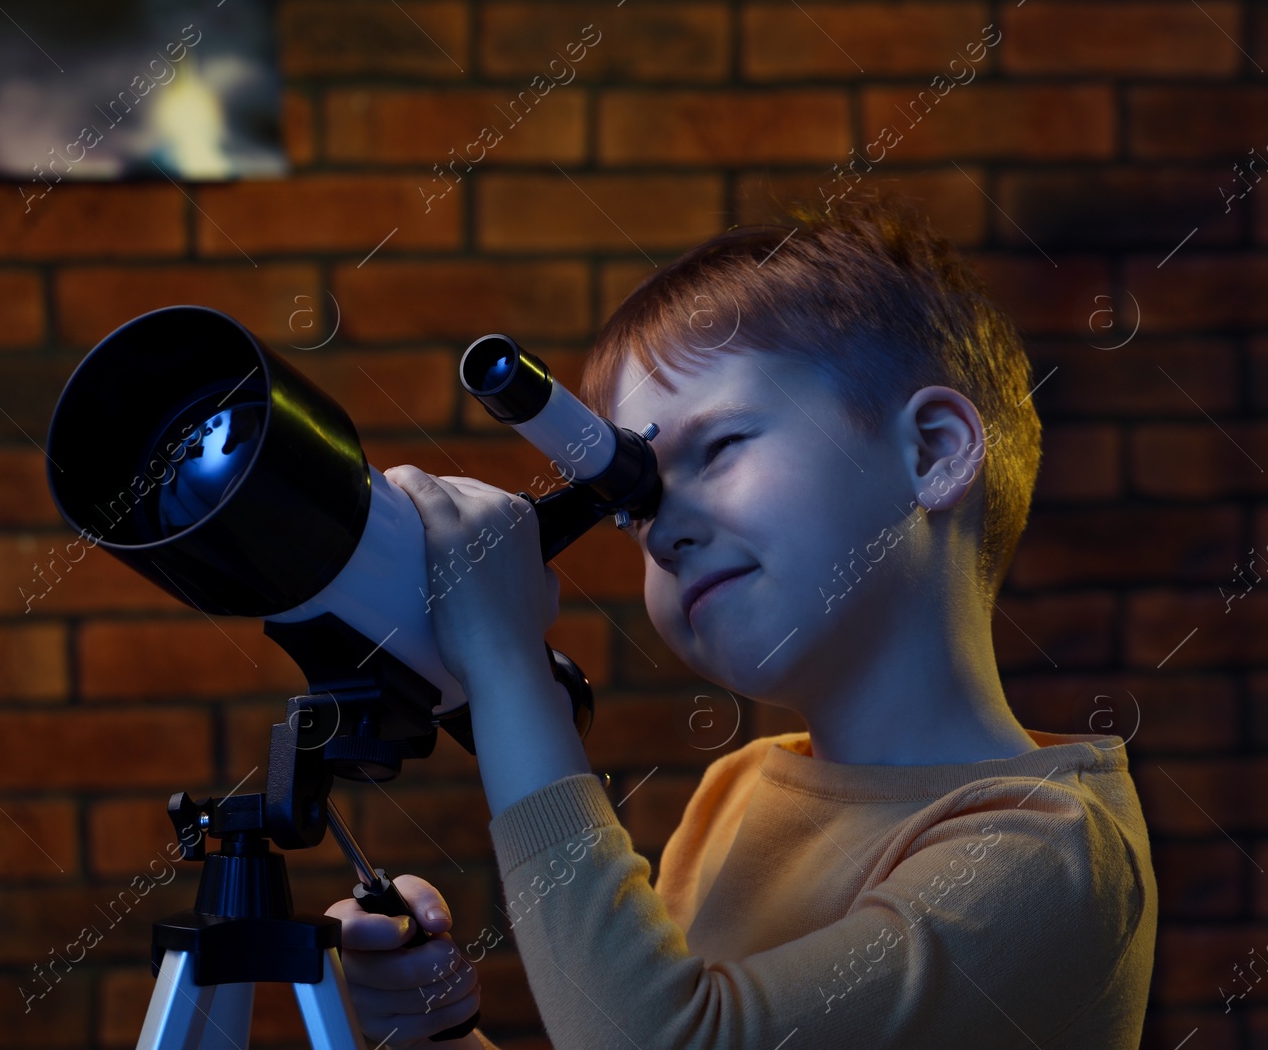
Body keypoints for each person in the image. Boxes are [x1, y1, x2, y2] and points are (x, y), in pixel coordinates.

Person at [327, 188, 1157, 1049]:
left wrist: (505, 667)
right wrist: (440, 1035)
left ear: (932, 452)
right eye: (636, 508)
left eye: (719, 447)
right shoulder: (738, 793)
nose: (667, 531)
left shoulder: (1051, 854)